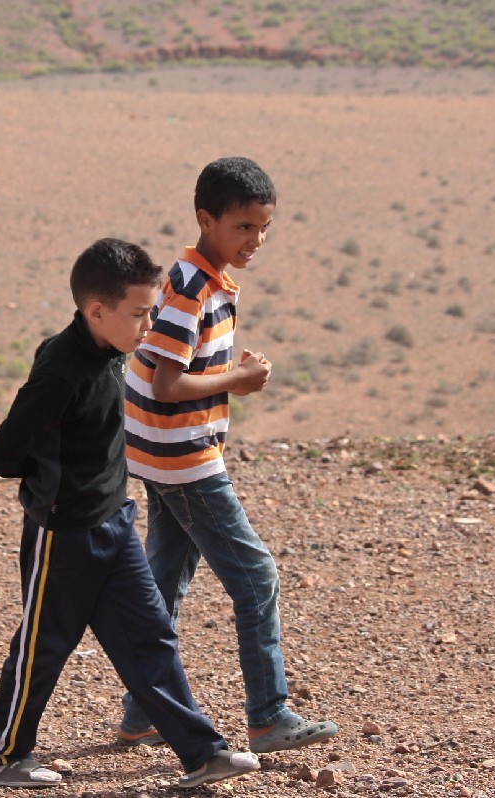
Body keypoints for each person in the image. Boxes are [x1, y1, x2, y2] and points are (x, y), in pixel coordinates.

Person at [0, 238, 260, 790]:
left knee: (151, 636)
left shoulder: (111, 348)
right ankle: (0, 757)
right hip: (64, 534)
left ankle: (203, 753)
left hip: (115, 523)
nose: (150, 325)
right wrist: (54, 483)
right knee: (42, 648)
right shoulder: (61, 369)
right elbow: (0, 455)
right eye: (139, 313)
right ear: (96, 310)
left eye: (151, 310)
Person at [119, 157, 339, 754]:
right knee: (256, 577)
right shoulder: (193, 288)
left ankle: (143, 713)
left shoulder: (198, 277)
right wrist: (236, 381)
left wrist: (228, 376)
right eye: (243, 227)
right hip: (182, 457)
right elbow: (167, 383)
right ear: (205, 220)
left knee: (166, 580)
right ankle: (268, 717)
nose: (255, 240)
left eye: (264, 228)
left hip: (161, 451)